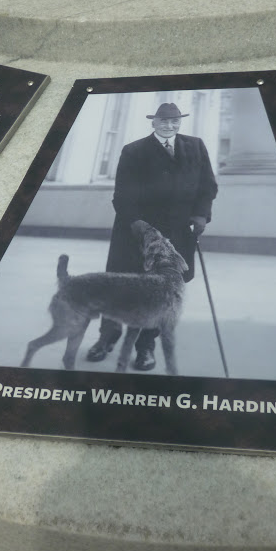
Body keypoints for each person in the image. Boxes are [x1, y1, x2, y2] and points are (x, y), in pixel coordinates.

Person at [87, 101, 218, 371]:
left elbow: (208, 186)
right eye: (164, 121)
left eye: (174, 121)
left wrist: (201, 214)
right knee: (120, 284)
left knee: (161, 292)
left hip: (178, 232)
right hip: (135, 231)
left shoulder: (195, 146)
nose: (169, 125)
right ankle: (107, 337)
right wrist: (137, 224)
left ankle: (146, 346)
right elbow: (122, 194)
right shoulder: (134, 150)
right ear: (153, 122)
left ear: (179, 122)